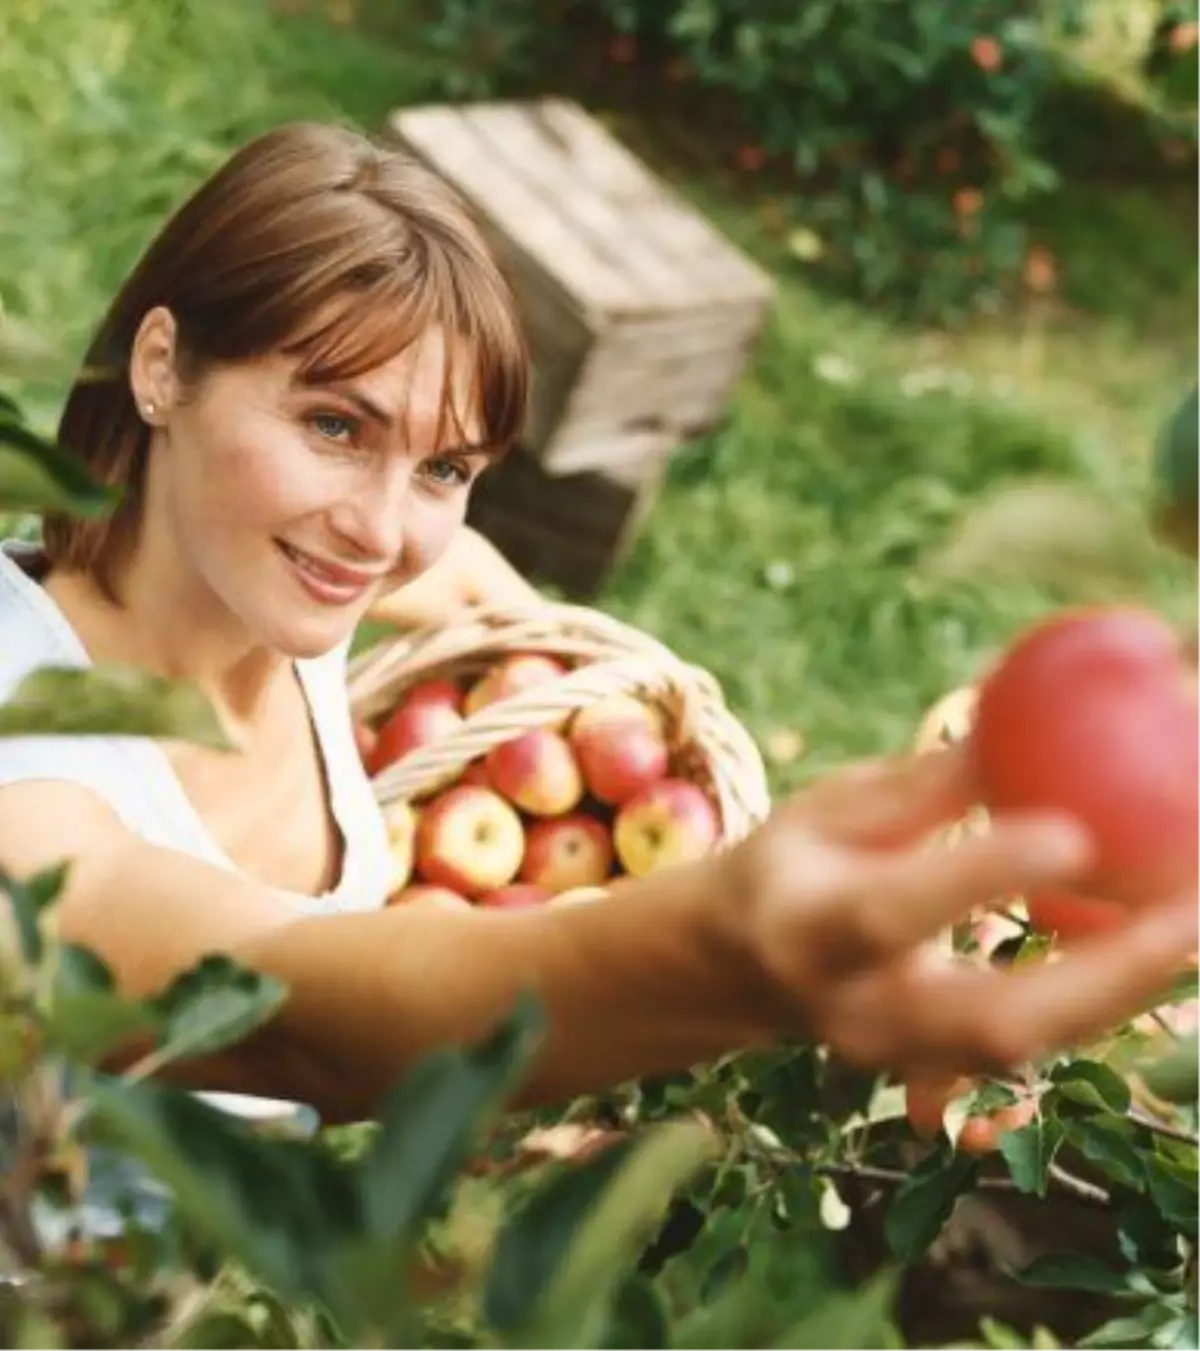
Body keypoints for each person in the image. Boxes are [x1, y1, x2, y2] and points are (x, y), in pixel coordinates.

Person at [1, 120, 1198, 1128]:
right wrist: (729, 953)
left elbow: (476, 586)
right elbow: (288, 1027)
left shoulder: (297, 589)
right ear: (162, 366)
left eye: (445, 464)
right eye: (334, 425)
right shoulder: (26, 749)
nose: (379, 532)